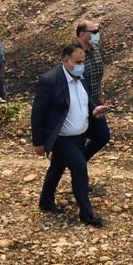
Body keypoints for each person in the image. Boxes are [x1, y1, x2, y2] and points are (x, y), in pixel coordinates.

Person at [31, 43, 110, 226]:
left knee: (57, 167)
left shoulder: (81, 77)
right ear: (65, 61)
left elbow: (85, 100)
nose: (82, 65)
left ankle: (45, 201)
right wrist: (38, 142)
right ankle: (86, 213)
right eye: (78, 62)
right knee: (80, 169)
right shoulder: (49, 80)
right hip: (62, 138)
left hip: (79, 135)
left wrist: (95, 109)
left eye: (83, 61)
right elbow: (38, 113)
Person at [76, 20, 110, 165]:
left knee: (103, 135)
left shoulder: (95, 50)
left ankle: (78, 163)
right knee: (80, 139)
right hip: (79, 105)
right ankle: (78, 169)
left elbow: (97, 76)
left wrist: (101, 97)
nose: (98, 35)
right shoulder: (74, 54)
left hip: (95, 102)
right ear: (83, 34)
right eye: (94, 32)